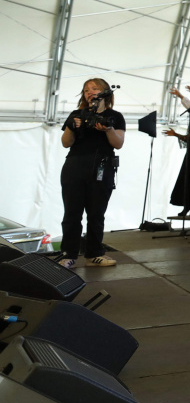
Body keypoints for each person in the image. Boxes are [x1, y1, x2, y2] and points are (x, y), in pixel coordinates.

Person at [56, 79, 126, 269]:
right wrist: (71, 126)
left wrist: (108, 129)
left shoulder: (115, 116)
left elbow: (118, 143)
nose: (90, 92)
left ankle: (94, 253)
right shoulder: (77, 114)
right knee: (72, 213)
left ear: (105, 92)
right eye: (86, 89)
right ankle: (68, 254)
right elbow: (66, 143)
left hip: (102, 167)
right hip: (75, 166)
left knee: (96, 213)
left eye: (95, 88)